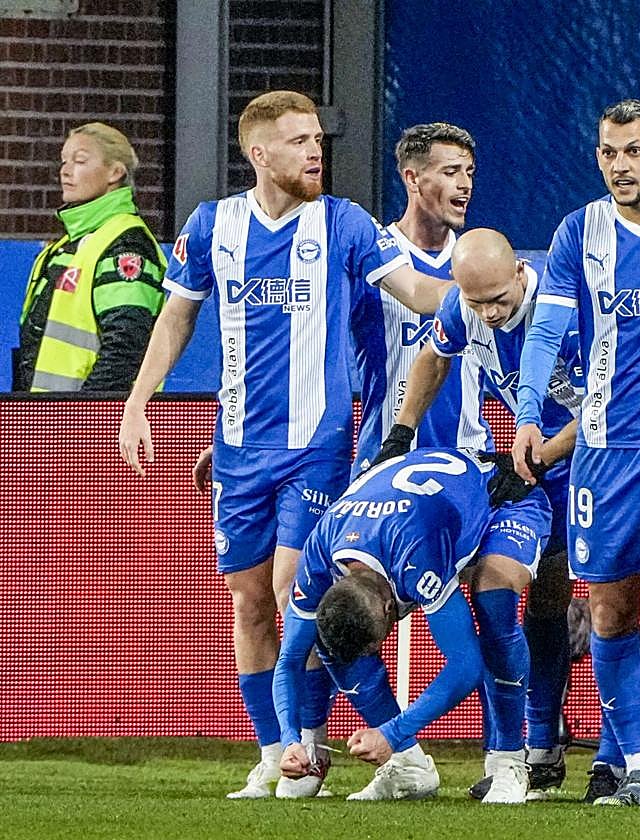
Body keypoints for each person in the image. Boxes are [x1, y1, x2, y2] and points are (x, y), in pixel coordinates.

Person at [116, 90, 444, 799]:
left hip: (315, 448)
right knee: (248, 603)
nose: (316, 152)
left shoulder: (344, 223)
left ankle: (349, 748)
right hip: (238, 450)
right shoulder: (213, 225)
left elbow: (418, 291)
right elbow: (176, 317)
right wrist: (138, 402)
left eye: (318, 139)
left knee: (296, 590)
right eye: (299, 141)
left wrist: (495, 289)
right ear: (258, 153)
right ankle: (276, 753)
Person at [511, 98, 640, 806]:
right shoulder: (579, 230)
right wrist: (526, 415)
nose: (620, 165)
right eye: (609, 152)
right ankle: (636, 765)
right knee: (608, 609)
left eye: (634, 151)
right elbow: (545, 332)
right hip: (601, 450)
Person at [384, 228, 582, 800]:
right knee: (521, 595)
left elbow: (606, 401)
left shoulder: (568, 310)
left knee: (604, 599)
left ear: (521, 272)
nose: (490, 314)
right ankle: (534, 746)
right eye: (477, 303)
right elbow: (432, 358)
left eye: (498, 300)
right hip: (531, 463)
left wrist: (541, 456)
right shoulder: (463, 308)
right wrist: (401, 431)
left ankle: (616, 759)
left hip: (591, 456)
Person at [274, 448, 551, 804]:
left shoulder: (416, 556)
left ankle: (509, 762)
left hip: (506, 498)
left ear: (391, 606)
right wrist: (290, 739)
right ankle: (408, 765)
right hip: (417, 512)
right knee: (331, 644)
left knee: (493, 597)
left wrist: (392, 731)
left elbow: (466, 665)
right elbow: (289, 659)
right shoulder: (318, 555)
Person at [353, 123, 490, 474]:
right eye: (451, 172)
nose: (465, 184)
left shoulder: (481, 262)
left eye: (470, 172)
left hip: (467, 461)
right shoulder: (370, 258)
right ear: (412, 179)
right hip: (383, 461)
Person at [16, 122, 165, 393]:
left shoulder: (125, 245)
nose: (65, 170)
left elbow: (123, 350)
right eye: (64, 161)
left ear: (115, 172)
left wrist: (85, 410)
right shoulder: (67, 245)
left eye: (80, 160)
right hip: (50, 414)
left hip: (88, 416)